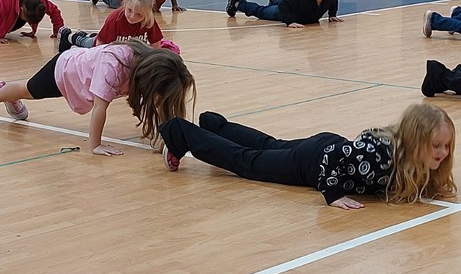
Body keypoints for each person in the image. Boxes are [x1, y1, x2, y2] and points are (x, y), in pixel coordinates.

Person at [159, 104, 456, 209]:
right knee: (248, 162)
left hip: (322, 147)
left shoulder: (410, 156)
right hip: (315, 161)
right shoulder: (382, 156)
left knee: (269, 145)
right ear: (416, 140)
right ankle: (180, 132)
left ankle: (215, 125)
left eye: (447, 146)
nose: (442, 153)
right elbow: (335, 156)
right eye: (436, 146)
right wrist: (333, 194)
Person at [0, 41, 196, 155]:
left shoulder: (148, 66)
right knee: (25, 90)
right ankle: (7, 93)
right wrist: (96, 145)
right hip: (65, 71)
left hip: (81, 74)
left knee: (24, 90)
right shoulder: (113, 67)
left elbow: (159, 103)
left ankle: (9, 94)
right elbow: (100, 108)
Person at [57, 0, 180, 56]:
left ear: (147, 13)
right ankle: (69, 36)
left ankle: (85, 36)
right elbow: (101, 45)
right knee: (87, 43)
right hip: (105, 44)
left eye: (138, 15)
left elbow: (156, 46)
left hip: (121, 46)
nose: (132, 17)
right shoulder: (115, 18)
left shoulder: (149, 21)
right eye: (129, 11)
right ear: (125, 5)